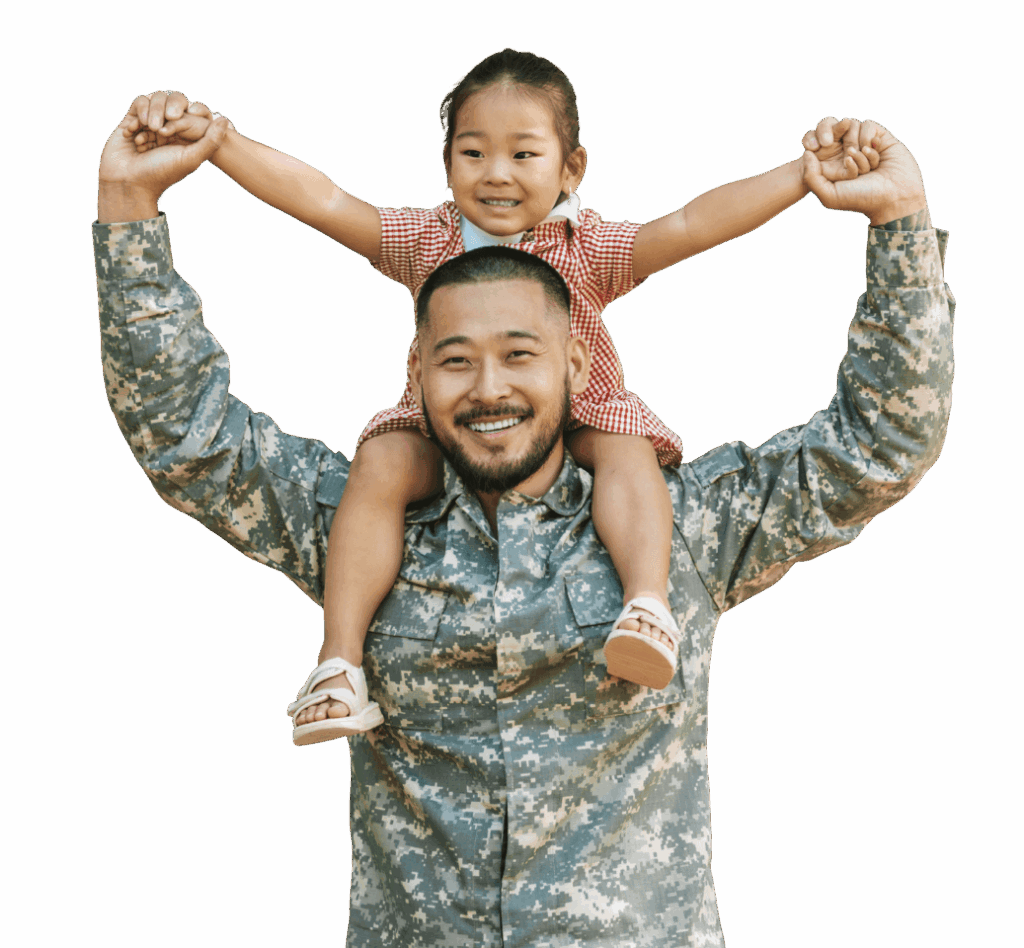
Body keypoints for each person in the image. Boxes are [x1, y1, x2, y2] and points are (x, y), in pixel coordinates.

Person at [94, 96, 952, 947]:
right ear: (417, 372)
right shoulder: (363, 529)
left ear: (578, 362)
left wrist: (901, 224)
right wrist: (129, 209)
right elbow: (188, 438)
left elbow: (879, 443)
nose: (489, 388)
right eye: (455, 360)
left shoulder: (679, 525)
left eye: (519, 354)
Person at [118, 51, 881, 741]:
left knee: (627, 451)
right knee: (379, 464)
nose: (497, 173)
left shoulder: (590, 247)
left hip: (583, 417)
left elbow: (691, 224)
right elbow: (321, 199)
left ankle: (648, 604)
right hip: (446, 435)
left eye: (524, 153)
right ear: (446, 163)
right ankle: (340, 662)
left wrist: (798, 179)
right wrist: (221, 143)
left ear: (571, 166)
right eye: (473, 152)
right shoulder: (429, 241)